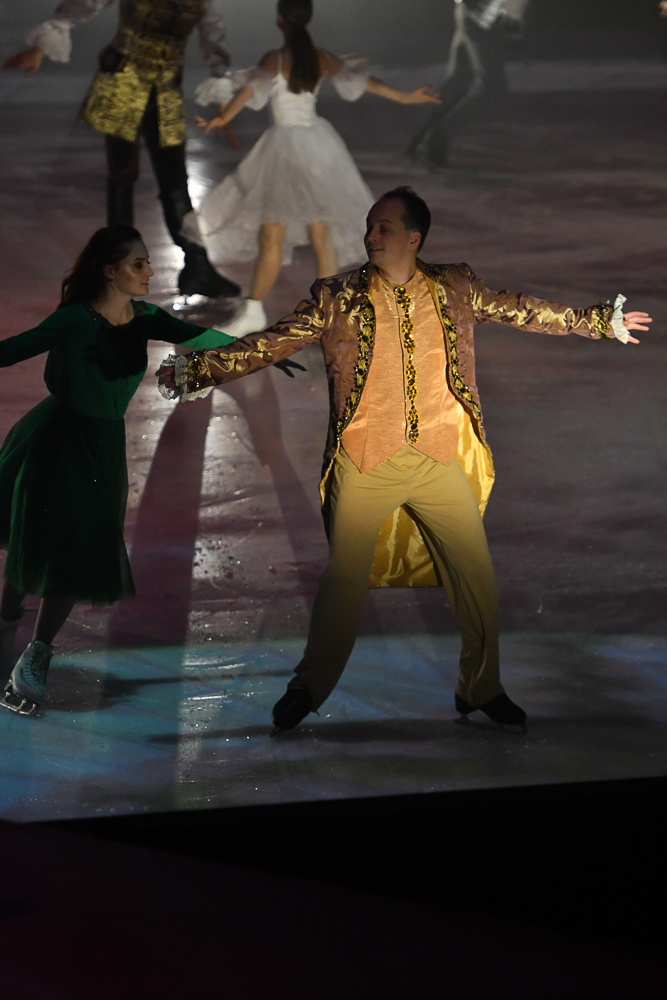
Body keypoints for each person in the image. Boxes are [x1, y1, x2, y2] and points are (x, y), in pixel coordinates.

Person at [157, 186, 652, 732]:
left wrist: (597, 321)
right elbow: (273, 342)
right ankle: (309, 686)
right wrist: (200, 369)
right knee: (344, 584)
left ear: (413, 239)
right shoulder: (336, 296)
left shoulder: (455, 285)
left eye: (383, 228)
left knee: (477, 581)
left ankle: (479, 688)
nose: (371, 236)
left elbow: (522, 310)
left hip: (438, 459)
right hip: (365, 461)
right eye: (370, 227)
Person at [0, 225, 246, 717]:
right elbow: (9, 351)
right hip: (58, 439)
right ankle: (8, 614)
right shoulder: (72, 321)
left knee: (82, 545)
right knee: (43, 534)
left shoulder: (146, 317)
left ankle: (35, 654)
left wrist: (264, 352)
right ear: (110, 270)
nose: (150, 271)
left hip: (105, 447)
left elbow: (202, 335)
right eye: (139, 264)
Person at [189, 0, 440, 337]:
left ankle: (259, 311)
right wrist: (406, 97)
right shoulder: (320, 56)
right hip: (319, 146)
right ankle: (330, 315)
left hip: (285, 147)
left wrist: (223, 118)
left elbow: (250, 90)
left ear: (280, 20)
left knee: (273, 235)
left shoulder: (276, 58)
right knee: (320, 236)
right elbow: (363, 80)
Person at [3, 0, 240, 300]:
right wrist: (43, 44)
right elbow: (86, 4)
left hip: (165, 87)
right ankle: (119, 271)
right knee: (123, 176)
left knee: (174, 181)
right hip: (123, 82)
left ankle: (197, 265)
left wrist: (222, 91)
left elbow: (213, 36)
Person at [407, 0, 530, 168]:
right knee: (492, 90)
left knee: (458, 79)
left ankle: (418, 138)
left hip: (470, 14)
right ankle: (436, 139)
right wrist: (513, 18)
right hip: (484, 19)